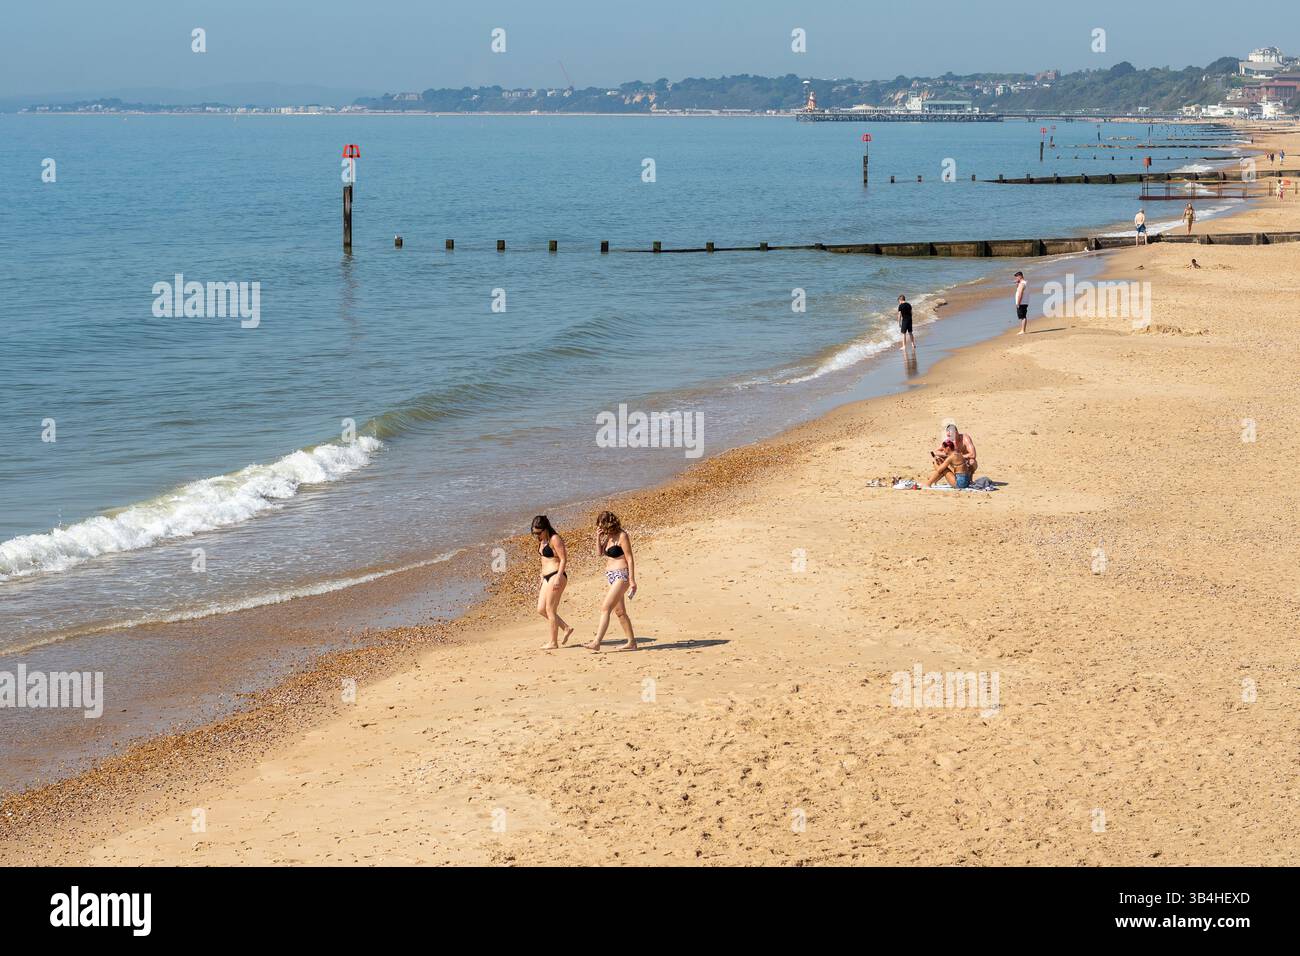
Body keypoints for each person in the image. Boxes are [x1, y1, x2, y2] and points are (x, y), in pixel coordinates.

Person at [587, 510, 637, 652]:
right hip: (610, 575)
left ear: (608, 524)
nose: (600, 528)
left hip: (622, 575)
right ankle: (632, 643)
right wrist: (598, 537)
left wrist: (632, 580)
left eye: (601, 526)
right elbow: (599, 553)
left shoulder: (622, 536)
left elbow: (630, 558)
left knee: (605, 608)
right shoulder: (608, 536)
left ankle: (597, 642)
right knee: (620, 611)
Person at [532, 515, 574, 649]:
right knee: (541, 609)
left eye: (539, 532)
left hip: (556, 575)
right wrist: (541, 575)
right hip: (546, 577)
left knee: (550, 609)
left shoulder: (554, 539)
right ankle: (566, 628)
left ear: (546, 528)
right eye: (534, 532)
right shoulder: (542, 539)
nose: (536, 535)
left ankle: (553, 642)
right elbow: (544, 559)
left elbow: (563, 559)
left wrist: (558, 576)